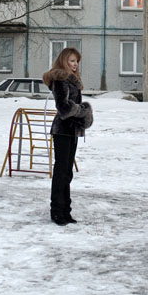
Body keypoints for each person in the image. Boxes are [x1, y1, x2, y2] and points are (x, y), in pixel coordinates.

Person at [42, 47, 93, 226]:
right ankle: (57, 211)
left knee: (67, 172)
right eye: (72, 61)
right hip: (62, 129)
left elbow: (72, 105)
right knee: (61, 171)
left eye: (77, 61)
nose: (75, 64)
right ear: (64, 61)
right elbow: (63, 106)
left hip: (72, 130)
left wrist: (82, 114)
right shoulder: (60, 79)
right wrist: (83, 110)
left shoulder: (73, 81)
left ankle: (65, 210)